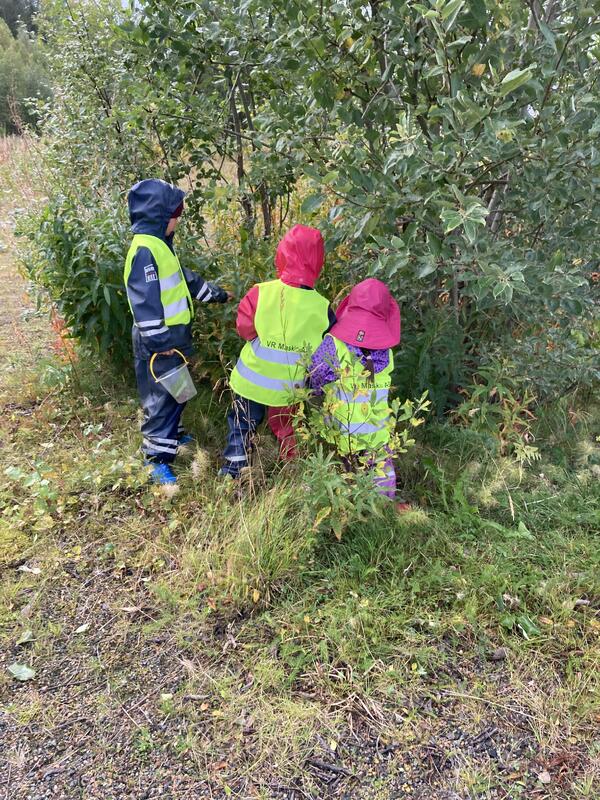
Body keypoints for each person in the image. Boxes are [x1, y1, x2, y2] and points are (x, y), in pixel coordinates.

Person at [124, 178, 231, 485]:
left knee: (180, 391)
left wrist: (217, 294)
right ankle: (156, 459)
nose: (178, 222)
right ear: (159, 216)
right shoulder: (145, 251)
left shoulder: (161, 247)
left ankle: (174, 433)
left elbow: (185, 281)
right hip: (160, 343)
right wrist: (159, 342)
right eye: (176, 217)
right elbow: (145, 302)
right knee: (162, 398)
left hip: (174, 340)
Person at [220, 224, 334, 477]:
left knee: (241, 424)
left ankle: (232, 470)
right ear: (318, 261)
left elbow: (244, 329)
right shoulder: (321, 306)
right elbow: (326, 350)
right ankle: (292, 469)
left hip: (251, 380)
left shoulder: (261, 292)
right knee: (288, 426)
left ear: (282, 253)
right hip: (289, 387)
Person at [308, 278, 401, 499]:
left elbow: (315, 376)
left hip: (342, 433)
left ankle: (348, 511)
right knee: (381, 477)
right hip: (377, 433)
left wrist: (317, 394)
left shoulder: (334, 345)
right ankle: (383, 510)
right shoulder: (386, 352)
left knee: (342, 477)